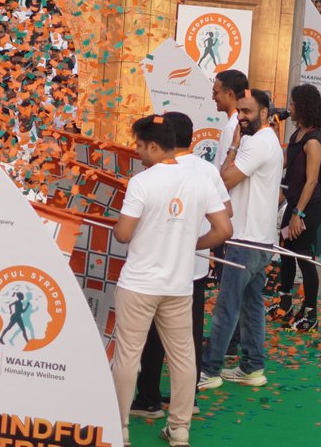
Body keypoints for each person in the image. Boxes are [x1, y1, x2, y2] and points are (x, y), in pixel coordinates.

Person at [112, 116, 230, 447]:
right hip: (179, 285)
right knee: (183, 358)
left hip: (138, 284)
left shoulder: (142, 182)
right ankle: (179, 429)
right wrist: (189, 241)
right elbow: (224, 230)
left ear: (153, 146)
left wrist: (119, 225)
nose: (136, 151)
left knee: (127, 357)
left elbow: (123, 233)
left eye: (138, 145)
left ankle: (119, 428)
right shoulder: (200, 180)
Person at [199, 89, 284, 390]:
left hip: (246, 241)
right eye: (240, 111)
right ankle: (252, 367)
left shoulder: (257, 143)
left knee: (227, 307)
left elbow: (226, 178)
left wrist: (234, 146)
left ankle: (209, 371)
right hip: (259, 240)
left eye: (247, 111)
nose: (242, 117)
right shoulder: (265, 140)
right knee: (251, 305)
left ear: (264, 113)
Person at [271, 84, 321, 332]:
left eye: (292, 104)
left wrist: (297, 214)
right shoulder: (296, 135)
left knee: (304, 257)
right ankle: (285, 304)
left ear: (302, 107)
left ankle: (311, 313)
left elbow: (312, 180)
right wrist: (273, 134)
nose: (289, 108)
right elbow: (283, 163)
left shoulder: (314, 140)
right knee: (286, 251)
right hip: (294, 204)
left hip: (308, 208)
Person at [210, 69, 248, 167]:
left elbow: (224, 171)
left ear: (230, 94)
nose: (213, 97)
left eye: (215, 93)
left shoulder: (232, 127)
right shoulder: (240, 123)